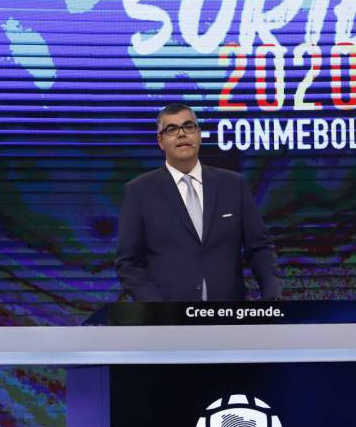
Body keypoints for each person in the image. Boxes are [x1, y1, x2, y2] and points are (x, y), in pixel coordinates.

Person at [115, 103, 281, 301]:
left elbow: (259, 247)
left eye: (188, 126)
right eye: (172, 129)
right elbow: (128, 263)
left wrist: (272, 296)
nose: (182, 134)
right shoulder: (139, 191)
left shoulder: (233, 185)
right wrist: (157, 308)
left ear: (199, 135)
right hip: (168, 315)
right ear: (160, 141)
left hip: (228, 313)